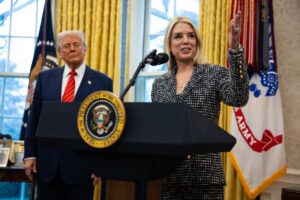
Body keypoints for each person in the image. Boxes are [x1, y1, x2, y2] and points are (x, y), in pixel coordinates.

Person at [151, 12, 249, 200]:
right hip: (170, 178)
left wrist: (235, 49)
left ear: (197, 42)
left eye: (191, 35)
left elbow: (239, 97)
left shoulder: (215, 73)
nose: (185, 41)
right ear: (170, 45)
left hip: (206, 180)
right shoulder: (159, 84)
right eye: (178, 36)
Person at [24, 30, 113, 200]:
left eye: (76, 44)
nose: (72, 49)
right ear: (60, 53)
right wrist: (30, 155)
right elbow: (34, 118)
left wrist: (100, 164)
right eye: (67, 46)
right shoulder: (44, 79)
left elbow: (106, 128)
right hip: (47, 165)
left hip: (82, 168)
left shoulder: (103, 82)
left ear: (85, 49)